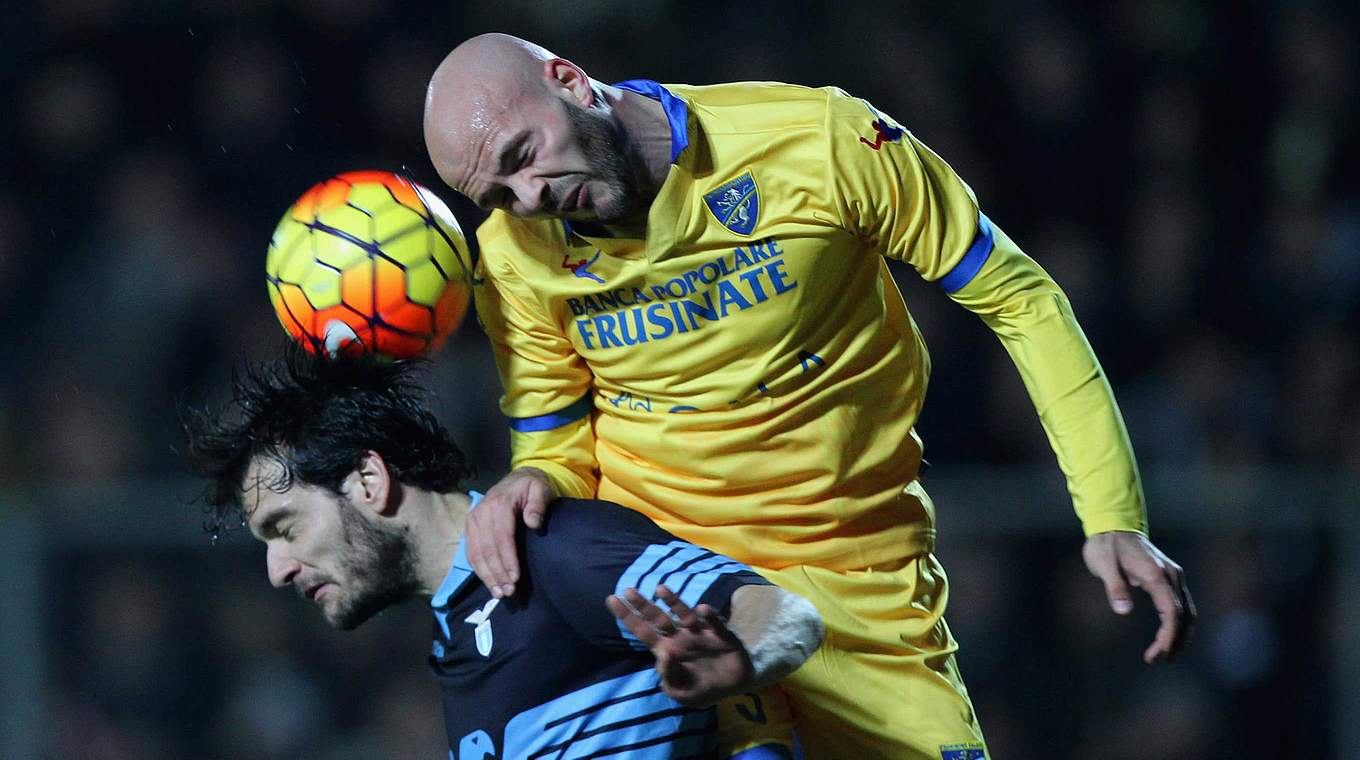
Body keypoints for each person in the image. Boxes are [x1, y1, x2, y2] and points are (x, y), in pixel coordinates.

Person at [423, 33, 1196, 758]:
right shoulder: (512, 253)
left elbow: (1021, 300)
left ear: (568, 81)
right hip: (676, 587)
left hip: (858, 572)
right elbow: (556, 437)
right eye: (498, 194)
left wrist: (1111, 514)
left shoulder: (820, 140)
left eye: (525, 156)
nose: (531, 198)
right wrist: (534, 477)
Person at [182, 348, 824, 759]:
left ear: (370, 482)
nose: (276, 570)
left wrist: (740, 655)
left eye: (284, 527)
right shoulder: (454, 631)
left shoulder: (549, 547)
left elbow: (778, 610)